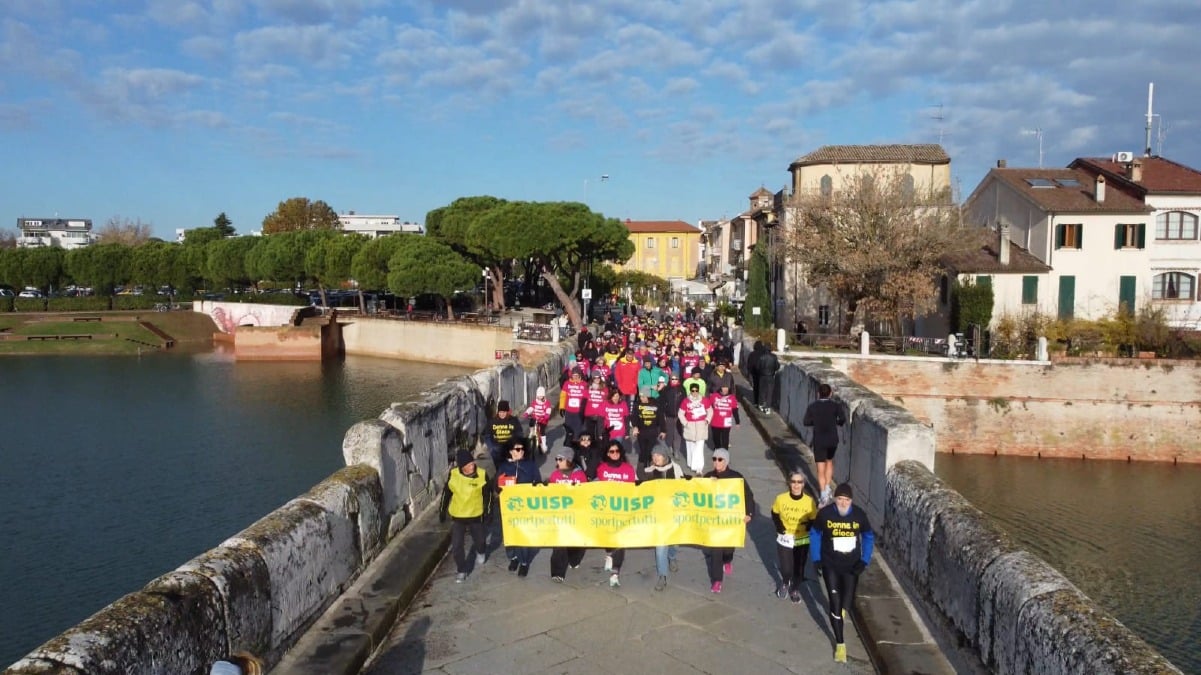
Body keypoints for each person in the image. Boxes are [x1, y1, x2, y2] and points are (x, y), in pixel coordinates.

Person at [810, 483, 874, 663]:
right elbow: (815, 533)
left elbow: (868, 536)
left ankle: (841, 611)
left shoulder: (859, 515)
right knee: (835, 605)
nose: (843, 503)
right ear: (834, 499)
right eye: (840, 499)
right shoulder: (825, 514)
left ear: (851, 501)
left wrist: (864, 560)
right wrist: (816, 559)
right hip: (830, 564)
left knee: (847, 602)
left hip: (851, 566)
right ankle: (840, 643)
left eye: (846, 500)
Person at [702, 448, 754, 593]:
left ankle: (728, 560)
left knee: (728, 549)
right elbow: (698, 491)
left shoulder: (736, 477)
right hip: (714, 522)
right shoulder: (708, 476)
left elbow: (748, 495)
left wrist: (749, 513)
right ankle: (717, 580)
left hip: (731, 520)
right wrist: (708, 484)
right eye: (714, 459)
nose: (716, 462)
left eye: (720, 459)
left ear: (726, 461)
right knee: (716, 550)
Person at [440, 449, 491, 582]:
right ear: (462, 467)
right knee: (457, 546)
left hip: (476, 515)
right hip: (458, 516)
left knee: (480, 540)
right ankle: (461, 570)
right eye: (468, 464)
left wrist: (488, 511)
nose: (472, 465)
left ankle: (481, 551)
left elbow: (488, 495)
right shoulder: (454, 475)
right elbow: (446, 493)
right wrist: (442, 510)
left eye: (472, 462)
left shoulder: (482, 475)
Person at [642, 442, 685, 591]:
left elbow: (684, 488)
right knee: (660, 547)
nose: (656, 458)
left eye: (658, 455)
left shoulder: (676, 469)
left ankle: (672, 557)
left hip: (673, 514)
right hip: (658, 516)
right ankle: (662, 575)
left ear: (665, 456)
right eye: (653, 455)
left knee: (674, 543)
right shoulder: (648, 471)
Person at [495, 441, 541, 577]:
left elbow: (538, 482)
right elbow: (496, 485)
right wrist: (500, 487)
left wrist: (536, 488)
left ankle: (524, 562)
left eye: (522, 449)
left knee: (523, 534)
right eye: (517, 449)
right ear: (511, 451)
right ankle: (513, 557)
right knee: (509, 534)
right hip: (509, 507)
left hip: (526, 506)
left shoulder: (531, 465)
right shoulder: (504, 466)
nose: (521, 451)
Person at [594, 440, 636, 587]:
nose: (615, 454)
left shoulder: (628, 468)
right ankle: (609, 554)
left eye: (617, 451)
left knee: (620, 541)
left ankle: (615, 572)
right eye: (611, 451)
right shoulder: (602, 468)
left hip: (622, 510)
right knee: (608, 537)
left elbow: (633, 489)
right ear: (607, 453)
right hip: (606, 510)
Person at [771, 471, 817, 602]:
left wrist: (808, 526)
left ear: (803, 484)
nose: (796, 485)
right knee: (786, 569)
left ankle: (795, 588)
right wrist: (779, 526)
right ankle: (785, 582)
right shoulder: (781, 498)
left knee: (799, 568)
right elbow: (774, 513)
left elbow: (814, 519)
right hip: (785, 537)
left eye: (799, 482)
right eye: (793, 482)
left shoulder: (809, 501)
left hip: (801, 537)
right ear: (789, 483)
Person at [547, 448, 588, 581]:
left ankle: (574, 559)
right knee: (559, 543)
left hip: (576, 514)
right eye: (557, 459)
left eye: (560, 459)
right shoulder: (555, 475)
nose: (558, 462)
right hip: (560, 515)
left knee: (575, 541)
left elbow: (585, 494)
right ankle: (557, 572)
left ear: (569, 460)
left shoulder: (579, 475)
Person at [804, 383, 846, 506]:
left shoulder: (813, 406)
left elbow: (806, 422)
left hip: (819, 440)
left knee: (820, 468)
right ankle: (827, 486)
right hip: (832, 439)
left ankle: (823, 494)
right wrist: (835, 422)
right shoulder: (836, 406)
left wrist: (816, 421)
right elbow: (842, 419)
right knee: (829, 461)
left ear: (818, 394)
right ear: (830, 393)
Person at [678, 382, 712, 474]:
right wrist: (685, 423)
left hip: (701, 427)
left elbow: (710, 411)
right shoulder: (686, 401)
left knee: (699, 448)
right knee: (690, 447)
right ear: (690, 391)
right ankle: (691, 464)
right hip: (690, 427)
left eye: (696, 390)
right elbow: (680, 414)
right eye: (693, 391)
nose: (695, 392)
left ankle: (699, 467)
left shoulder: (704, 400)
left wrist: (707, 420)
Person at [631, 387, 666, 470]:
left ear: (648, 396)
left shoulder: (656, 404)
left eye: (643, 397)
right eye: (640, 397)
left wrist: (663, 430)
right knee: (643, 450)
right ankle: (642, 466)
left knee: (650, 450)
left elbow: (661, 418)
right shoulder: (637, 405)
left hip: (652, 431)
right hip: (641, 431)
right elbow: (634, 417)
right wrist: (635, 426)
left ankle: (649, 465)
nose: (641, 398)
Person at [484, 400, 524, 466]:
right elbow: (487, 436)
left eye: (504, 412)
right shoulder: (492, 421)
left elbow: (519, 433)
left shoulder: (513, 420)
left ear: (507, 412)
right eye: (500, 412)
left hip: (510, 447)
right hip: (497, 447)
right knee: (500, 467)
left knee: (510, 467)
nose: (502, 414)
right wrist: (491, 448)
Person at [659, 372, 686, 459]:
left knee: (678, 434)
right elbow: (662, 403)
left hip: (679, 415)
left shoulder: (682, 389)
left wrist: (685, 414)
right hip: (669, 415)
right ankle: (669, 447)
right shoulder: (666, 389)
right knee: (669, 433)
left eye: (676, 379)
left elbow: (685, 402)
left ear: (678, 380)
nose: (674, 380)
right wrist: (663, 414)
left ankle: (676, 450)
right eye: (672, 379)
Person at [706, 383, 739, 452]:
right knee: (716, 438)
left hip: (726, 422)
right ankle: (717, 448)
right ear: (720, 388)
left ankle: (725, 452)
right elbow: (708, 407)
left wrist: (737, 421)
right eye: (723, 387)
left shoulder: (732, 397)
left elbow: (735, 410)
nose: (725, 389)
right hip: (715, 421)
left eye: (726, 388)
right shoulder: (714, 396)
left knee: (725, 438)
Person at [521, 386, 554, 456]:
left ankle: (544, 444)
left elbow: (548, 409)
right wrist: (526, 413)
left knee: (542, 431)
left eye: (541, 396)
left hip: (543, 419)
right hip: (535, 417)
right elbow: (531, 408)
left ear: (544, 396)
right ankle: (531, 431)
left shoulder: (547, 403)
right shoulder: (535, 402)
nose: (539, 397)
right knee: (531, 422)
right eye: (538, 396)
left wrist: (547, 415)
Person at [560, 368, 588, 444]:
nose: (575, 377)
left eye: (577, 375)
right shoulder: (567, 383)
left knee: (578, 428)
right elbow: (563, 396)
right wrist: (562, 407)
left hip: (579, 411)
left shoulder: (584, 384)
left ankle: (577, 442)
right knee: (568, 427)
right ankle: (569, 441)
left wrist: (585, 410)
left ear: (580, 375)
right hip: (569, 410)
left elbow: (586, 398)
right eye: (573, 375)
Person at [757, 345, 780, 414]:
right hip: (770, 376)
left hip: (762, 376)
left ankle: (761, 404)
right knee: (770, 392)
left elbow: (758, 367)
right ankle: (767, 408)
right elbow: (777, 366)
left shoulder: (761, 357)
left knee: (762, 391)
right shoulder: (774, 357)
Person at [747, 341, 765, 407]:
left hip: (754, 373)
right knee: (762, 388)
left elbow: (749, 364)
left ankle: (756, 401)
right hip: (762, 373)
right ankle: (761, 402)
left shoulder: (752, 354)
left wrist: (749, 372)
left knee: (756, 387)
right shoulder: (763, 354)